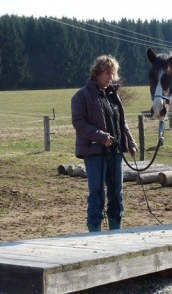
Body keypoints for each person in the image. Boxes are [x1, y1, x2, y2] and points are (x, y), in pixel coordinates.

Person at [71, 55, 138, 232]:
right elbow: (79, 123)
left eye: (113, 73)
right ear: (97, 73)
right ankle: (95, 232)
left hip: (115, 153)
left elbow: (121, 122)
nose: (111, 77)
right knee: (97, 194)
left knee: (117, 194)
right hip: (94, 153)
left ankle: (116, 230)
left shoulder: (113, 96)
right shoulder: (81, 96)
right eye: (108, 73)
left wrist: (130, 141)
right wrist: (102, 137)